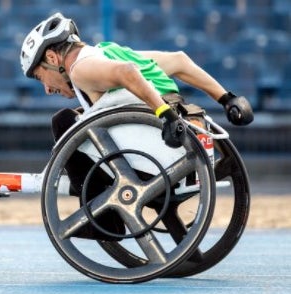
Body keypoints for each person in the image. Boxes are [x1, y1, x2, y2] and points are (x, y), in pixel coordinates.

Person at [19, 12, 254, 240]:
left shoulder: (81, 69)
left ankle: (103, 223)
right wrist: (227, 99)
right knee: (81, 116)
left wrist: (166, 115)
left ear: (52, 58)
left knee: (62, 122)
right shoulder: (107, 51)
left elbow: (126, 73)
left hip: (157, 154)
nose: (47, 89)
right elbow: (180, 62)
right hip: (178, 145)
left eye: (40, 78)